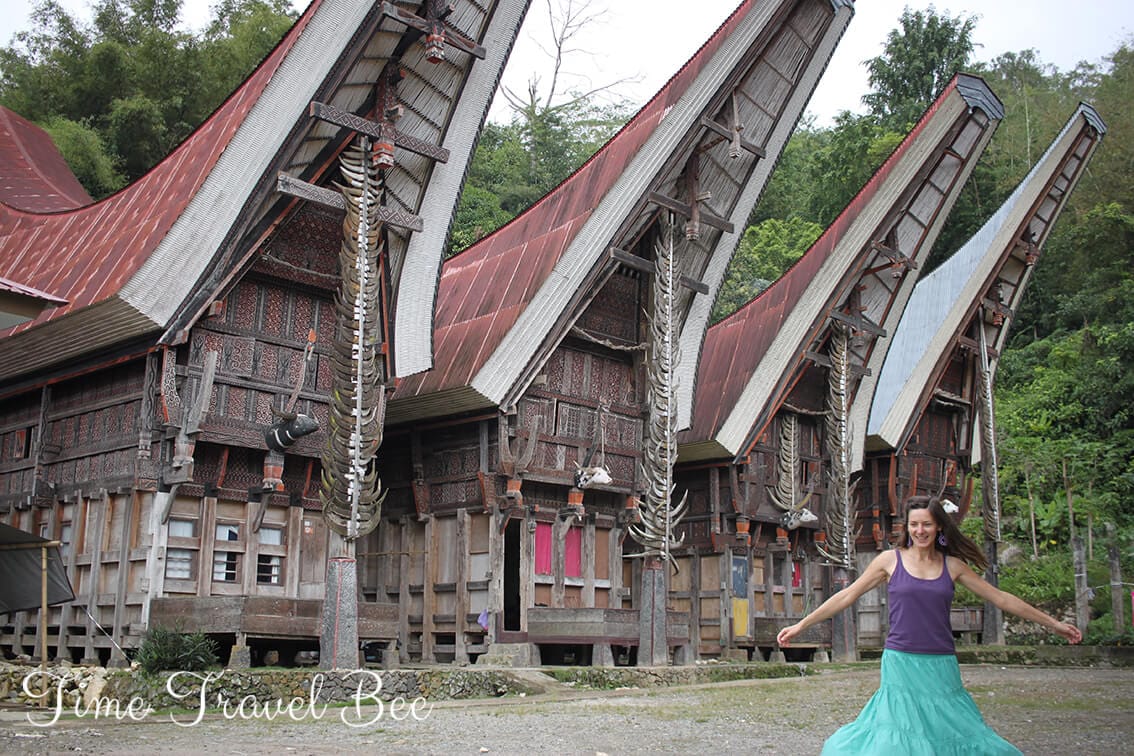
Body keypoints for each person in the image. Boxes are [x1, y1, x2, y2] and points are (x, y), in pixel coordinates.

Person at [777, 495, 1081, 755]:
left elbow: (1001, 598)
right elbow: (847, 595)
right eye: (914, 524)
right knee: (900, 731)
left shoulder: (953, 566)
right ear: (907, 528)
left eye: (926, 524)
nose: (920, 530)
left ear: (938, 527)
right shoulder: (889, 561)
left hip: (940, 662)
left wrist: (1054, 624)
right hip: (901, 661)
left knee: (953, 728)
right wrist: (801, 626)